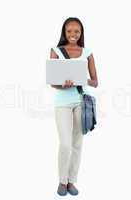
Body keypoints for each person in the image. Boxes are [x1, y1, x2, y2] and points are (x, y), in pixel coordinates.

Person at [50, 17, 98, 196]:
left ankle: (71, 181)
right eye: (69, 31)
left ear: (81, 33)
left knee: (77, 143)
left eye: (76, 31)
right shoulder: (56, 51)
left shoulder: (87, 52)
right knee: (65, 144)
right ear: (64, 32)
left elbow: (95, 82)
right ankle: (62, 181)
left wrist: (81, 79)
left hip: (80, 100)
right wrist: (62, 84)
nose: (73, 34)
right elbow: (52, 82)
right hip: (62, 102)